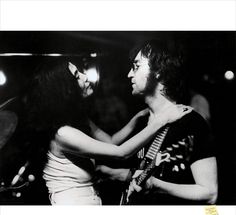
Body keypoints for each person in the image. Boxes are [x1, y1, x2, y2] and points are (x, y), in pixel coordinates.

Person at [24, 58, 191, 205]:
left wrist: (138, 118)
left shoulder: (78, 119)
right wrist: (162, 120)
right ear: (64, 90)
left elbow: (111, 141)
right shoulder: (63, 134)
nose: (85, 76)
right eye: (76, 76)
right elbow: (120, 153)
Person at [97, 40, 218, 205]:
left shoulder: (191, 123)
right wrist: (113, 173)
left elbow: (210, 193)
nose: (129, 74)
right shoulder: (140, 121)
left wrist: (156, 185)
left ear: (159, 70)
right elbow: (144, 171)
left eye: (136, 66)